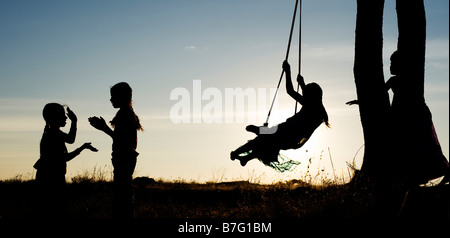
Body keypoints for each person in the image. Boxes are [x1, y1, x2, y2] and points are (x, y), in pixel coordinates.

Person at [230, 61, 330, 171]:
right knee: (265, 142)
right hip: (289, 136)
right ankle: (245, 157)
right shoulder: (317, 107)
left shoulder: (313, 107)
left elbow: (290, 91)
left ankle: (254, 138)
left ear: (313, 95)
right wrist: (302, 84)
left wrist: (288, 71)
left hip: (289, 134)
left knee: (264, 137)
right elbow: (305, 96)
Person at [89, 82, 143, 219]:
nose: (111, 99)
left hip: (124, 158)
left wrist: (103, 128)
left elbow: (120, 139)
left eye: (113, 96)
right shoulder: (127, 113)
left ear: (122, 97)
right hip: (126, 158)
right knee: (123, 195)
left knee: (122, 197)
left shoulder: (125, 114)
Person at [34, 103, 97, 218]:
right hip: (52, 177)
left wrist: (82, 147)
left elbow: (69, 142)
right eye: (62, 115)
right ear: (54, 117)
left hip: (48, 175)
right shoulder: (54, 134)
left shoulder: (51, 132)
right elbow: (67, 149)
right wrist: (75, 122)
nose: (65, 118)